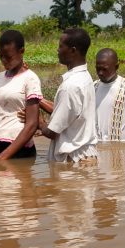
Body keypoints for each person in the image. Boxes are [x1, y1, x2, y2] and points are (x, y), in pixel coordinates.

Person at [0, 30, 42, 160]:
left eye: (8, 57)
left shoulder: (30, 79)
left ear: (21, 51)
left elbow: (32, 125)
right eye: (1, 56)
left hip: (19, 151)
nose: (4, 61)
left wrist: (2, 158)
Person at [36, 28, 98, 163]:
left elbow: (53, 132)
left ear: (73, 50)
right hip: (86, 155)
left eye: (60, 46)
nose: (57, 50)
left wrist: (40, 123)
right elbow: (70, 113)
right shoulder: (85, 78)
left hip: (73, 159)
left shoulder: (70, 86)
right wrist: (38, 100)